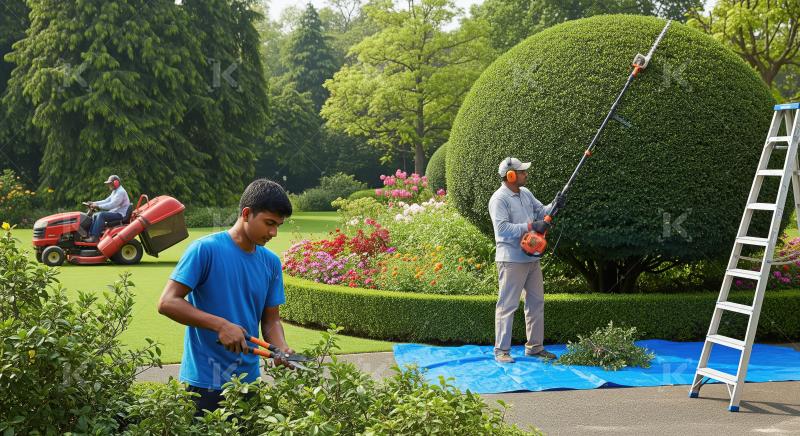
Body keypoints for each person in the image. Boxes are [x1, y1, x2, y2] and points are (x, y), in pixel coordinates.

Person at [157, 179, 295, 414]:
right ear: (247, 214)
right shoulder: (205, 249)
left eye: (278, 225)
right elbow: (167, 302)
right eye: (269, 223)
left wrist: (280, 347)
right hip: (203, 382)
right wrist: (220, 325)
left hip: (247, 382)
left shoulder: (271, 262)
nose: (273, 232)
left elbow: (271, 319)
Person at [488, 157, 566, 364]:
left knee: (536, 302)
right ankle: (502, 351)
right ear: (510, 175)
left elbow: (542, 213)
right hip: (511, 260)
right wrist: (531, 226)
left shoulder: (526, 193)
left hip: (531, 257)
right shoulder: (499, 199)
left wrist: (555, 205)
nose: (526, 174)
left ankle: (534, 348)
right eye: (522, 172)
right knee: (507, 305)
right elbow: (502, 229)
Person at [85, 175, 130, 242]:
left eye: (110, 183)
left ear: (116, 183)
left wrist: (98, 206)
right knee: (95, 215)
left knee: (101, 215)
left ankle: (94, 238)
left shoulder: (120, 192)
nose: (109, 185)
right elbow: (106, 201)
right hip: (115, 212)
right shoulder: (115, 191)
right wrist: (94, 203)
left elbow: (112, 205)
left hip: (120, 214)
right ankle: (90, 235)